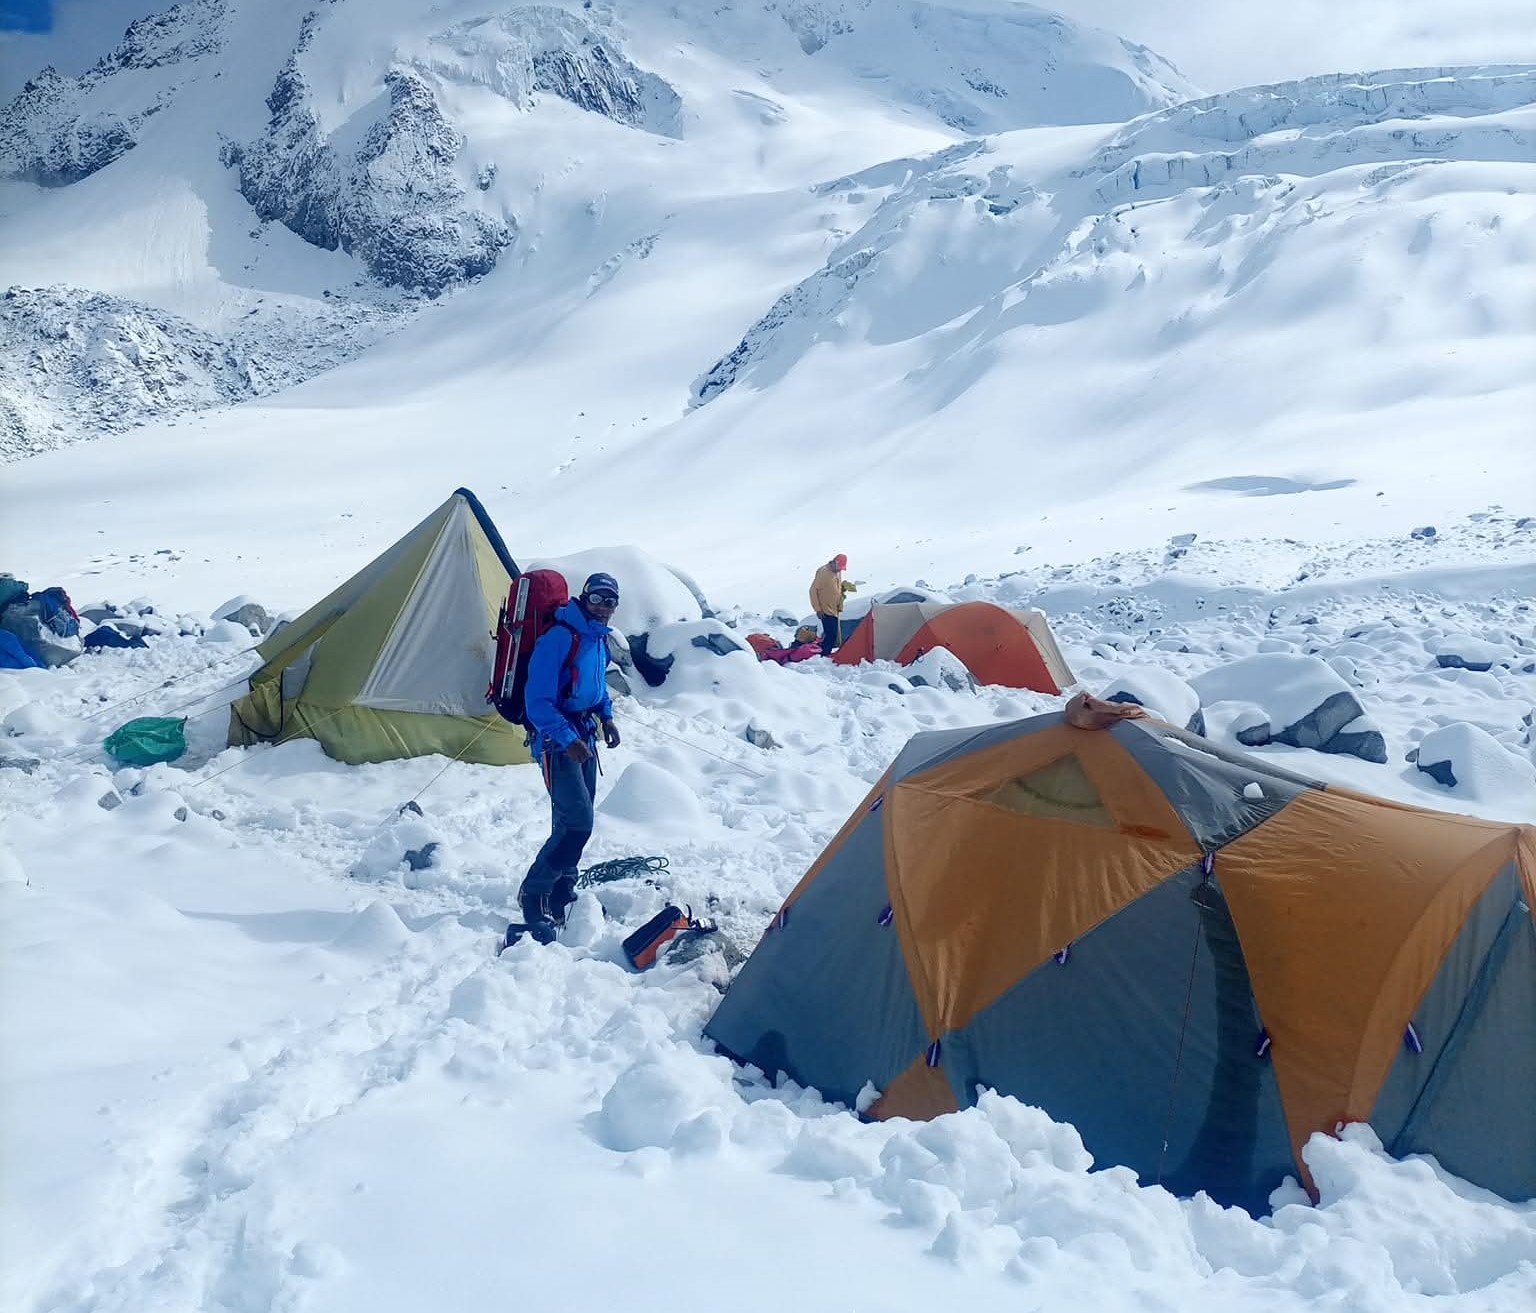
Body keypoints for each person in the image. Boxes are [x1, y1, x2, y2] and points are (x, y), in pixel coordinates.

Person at [513, 571, 623, 946]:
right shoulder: (559, 638)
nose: (604, 608)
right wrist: (565, 738)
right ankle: (534, 892)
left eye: (611, 602)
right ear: (584, 597)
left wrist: (606, 716)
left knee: (574, 816)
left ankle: (562, 890)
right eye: (598, 599)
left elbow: (597, 687)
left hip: (585, 735)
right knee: (577, 822)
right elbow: (537, 702)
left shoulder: (597, 639)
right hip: (556, 740)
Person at [809, 553, 848, 656]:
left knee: (831, 635)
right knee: (831, 634)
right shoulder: (823, 572)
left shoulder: (837, 572)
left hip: (834, 609)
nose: (840, 570)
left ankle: (823, 653)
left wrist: (842, 588)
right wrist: (818, 609)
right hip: (825, 610)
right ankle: (824, 654)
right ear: (835, 562)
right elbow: (813, 590)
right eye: (840, 567)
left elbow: (834, 586)